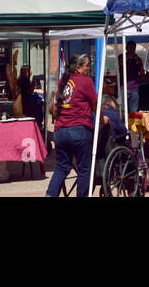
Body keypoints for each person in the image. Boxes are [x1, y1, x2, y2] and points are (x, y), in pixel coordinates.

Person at [46, 53, 98, 197]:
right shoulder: (85, 81)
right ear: (78, 67)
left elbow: (56, 106)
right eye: (87, 65)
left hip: (60, 130)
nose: (89, 68)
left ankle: (50, 194)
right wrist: (102, 119)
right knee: (84, 169)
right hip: (79, 129)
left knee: (62, 168)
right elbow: (95, 106)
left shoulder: (64, 80)